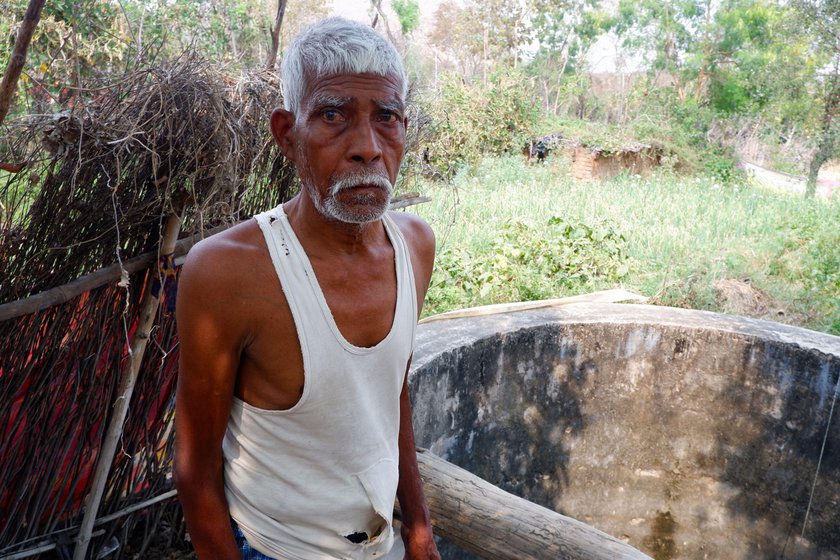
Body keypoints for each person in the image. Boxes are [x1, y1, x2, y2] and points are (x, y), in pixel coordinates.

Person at [174, 17, 440, 560]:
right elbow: (194, 474)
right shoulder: (228, 274)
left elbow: (392, 394)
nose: (367, 147)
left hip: (380, 545)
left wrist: (418, 527)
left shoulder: (415, 245)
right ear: (286, 135)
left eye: (386, 117)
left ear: (404, 130)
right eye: (333, 115)